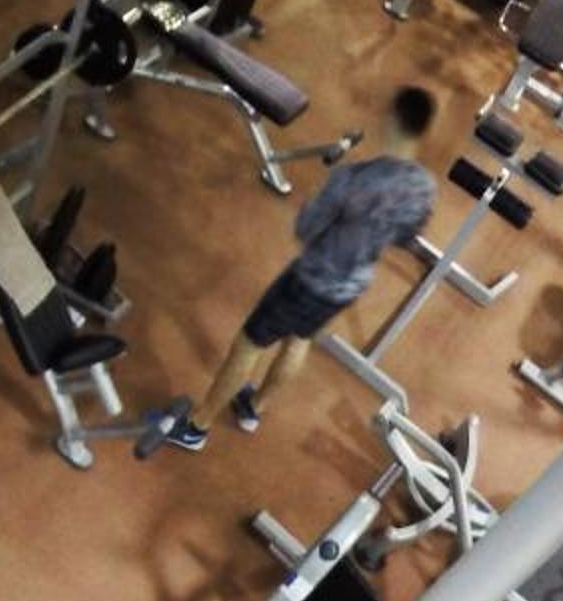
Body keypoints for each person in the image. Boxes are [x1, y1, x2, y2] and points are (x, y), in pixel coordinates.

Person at [159, 86, 440, 452]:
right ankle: (254, 407)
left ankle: (197, 426)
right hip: (351, 285)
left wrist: (322, 196)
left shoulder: (352, 180)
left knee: (249, 344)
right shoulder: (423, 187)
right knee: (299, 339)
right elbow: (407, 236)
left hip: (310, 279)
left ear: (392, 118)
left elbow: (305, 229)